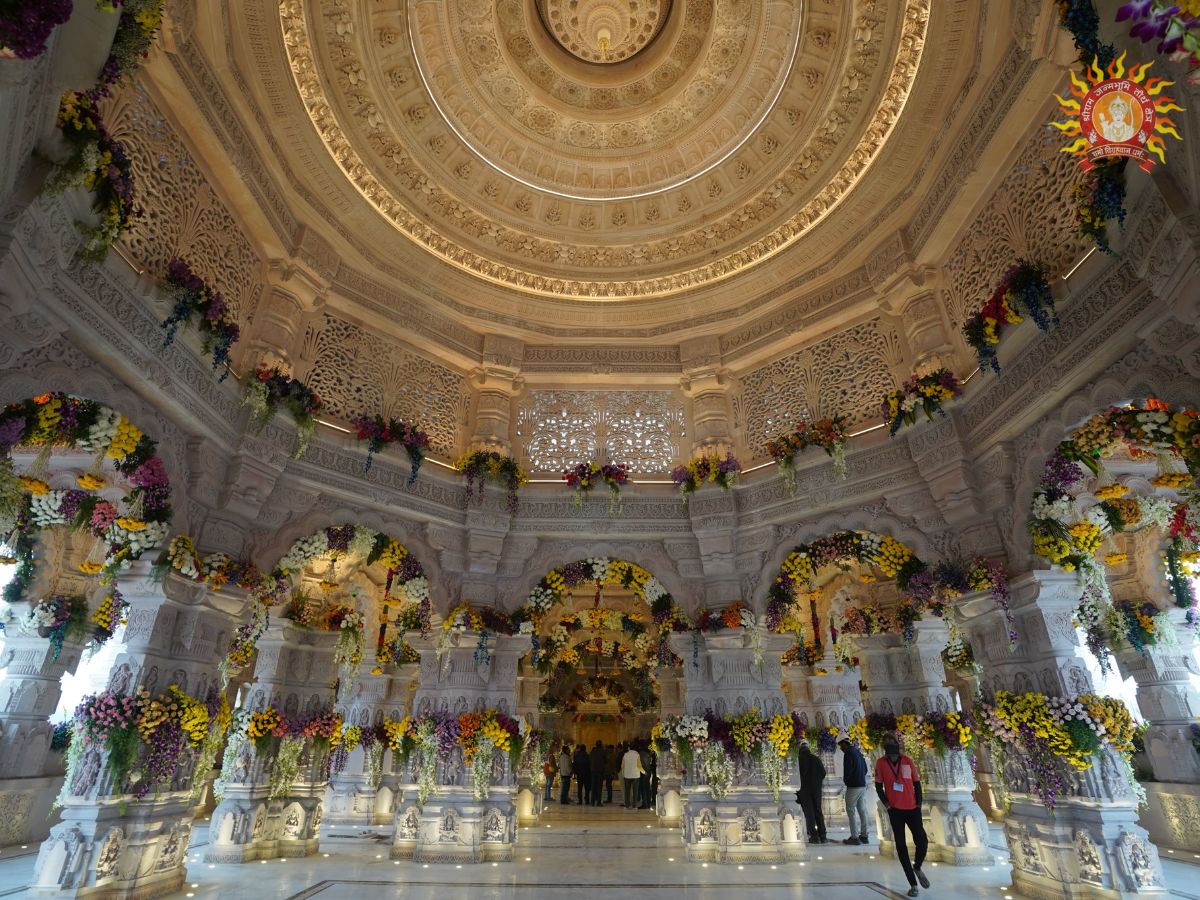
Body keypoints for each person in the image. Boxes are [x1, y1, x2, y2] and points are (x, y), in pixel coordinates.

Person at [874, 733, 930, 897]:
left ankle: (917, 866)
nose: (893, 755)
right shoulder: (881, 763)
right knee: (901, 846)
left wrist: (918, 804)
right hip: (895, 811)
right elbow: (878, 786)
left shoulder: (907, 761)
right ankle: (913, 883)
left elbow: (916, 784)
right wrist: (888, 805)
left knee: (922, 840)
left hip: (912, 808)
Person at [838, 733, 869, 845]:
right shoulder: (857, 751)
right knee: (862, 810)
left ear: (843, 744)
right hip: (862, 785)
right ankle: (864, 836)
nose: (841, 749)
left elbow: (848, 771)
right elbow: (865, 769)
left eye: (840, 746)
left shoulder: (848, 753)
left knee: (851, 810)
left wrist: (847, 781)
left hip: (853, 786)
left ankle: (855, 837)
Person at [796, 740, 827, 843]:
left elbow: (796, 777)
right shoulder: (816, 759)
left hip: (804, 790)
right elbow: (823, 773)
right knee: (818, 810)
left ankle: (814, 836)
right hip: (817, 789)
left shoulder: (799, 760)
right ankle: (823, 836)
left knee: (809, 813)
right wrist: (817, 782)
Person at [621, 742, 644, 809]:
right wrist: (644, 772)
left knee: (627, 791)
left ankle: (627, 805)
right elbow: (639, 766)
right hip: (635, 775)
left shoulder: (625, 755)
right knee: (635, 791)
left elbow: (622, 765)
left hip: (627, 775)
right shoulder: (637, 755)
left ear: (629, 747)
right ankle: (634, 805)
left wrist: (623, 774)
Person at [589, 740, 607, 807]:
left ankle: (592, 802)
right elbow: (605, 761)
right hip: (600, 771)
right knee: (599, 787)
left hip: (593, 771)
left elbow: (590, 759)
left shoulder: (593, 751)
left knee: (593, 787)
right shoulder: (603, 751)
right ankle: (598, 802)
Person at [637, 741, 653, 809]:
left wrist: (643, 771)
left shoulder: (641, 753)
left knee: (643, 789)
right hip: (649, 771)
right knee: (647, 788)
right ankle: (648, 803)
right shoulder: (650, 753)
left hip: (643, 773)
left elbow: (640, 765)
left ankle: (645, 804)